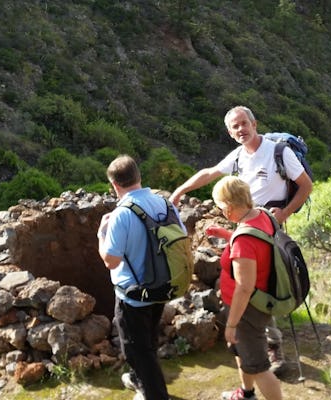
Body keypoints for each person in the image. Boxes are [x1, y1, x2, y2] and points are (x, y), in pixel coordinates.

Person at [169, 105, 313, 375]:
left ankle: (272, 347)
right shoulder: (238, 157)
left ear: (254, 123)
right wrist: (181, 189)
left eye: (244, 123)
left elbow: (305, 185)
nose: (240, 129)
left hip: (272, 230)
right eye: (235, 127)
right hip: (247, 229)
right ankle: (261, 343)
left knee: (264, 285)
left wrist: (284, 213)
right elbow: (210, 173)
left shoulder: (278, 152)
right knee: (253, 284)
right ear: (230, 132)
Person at [98, 155, 181, 400]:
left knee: (136, 349)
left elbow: (110, 260)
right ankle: (139, 380)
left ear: (114, 185)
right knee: (149, 339)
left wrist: (101, 235)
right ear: (139, 176)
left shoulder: (121, 215)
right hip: (162, 285)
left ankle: (155, 394)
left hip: (133, 296)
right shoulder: (165, 204)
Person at [209, 176, 283, 400]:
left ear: (230, 207)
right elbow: (258, 243)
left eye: (221, 207)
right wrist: (226, 235)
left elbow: (244, 287)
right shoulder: (262, 216)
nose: (221, 212)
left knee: (259, 366)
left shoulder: (244, 240)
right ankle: (246, 393)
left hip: (247, 310)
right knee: (242, 352)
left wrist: (231, 324)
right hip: (255, 301)